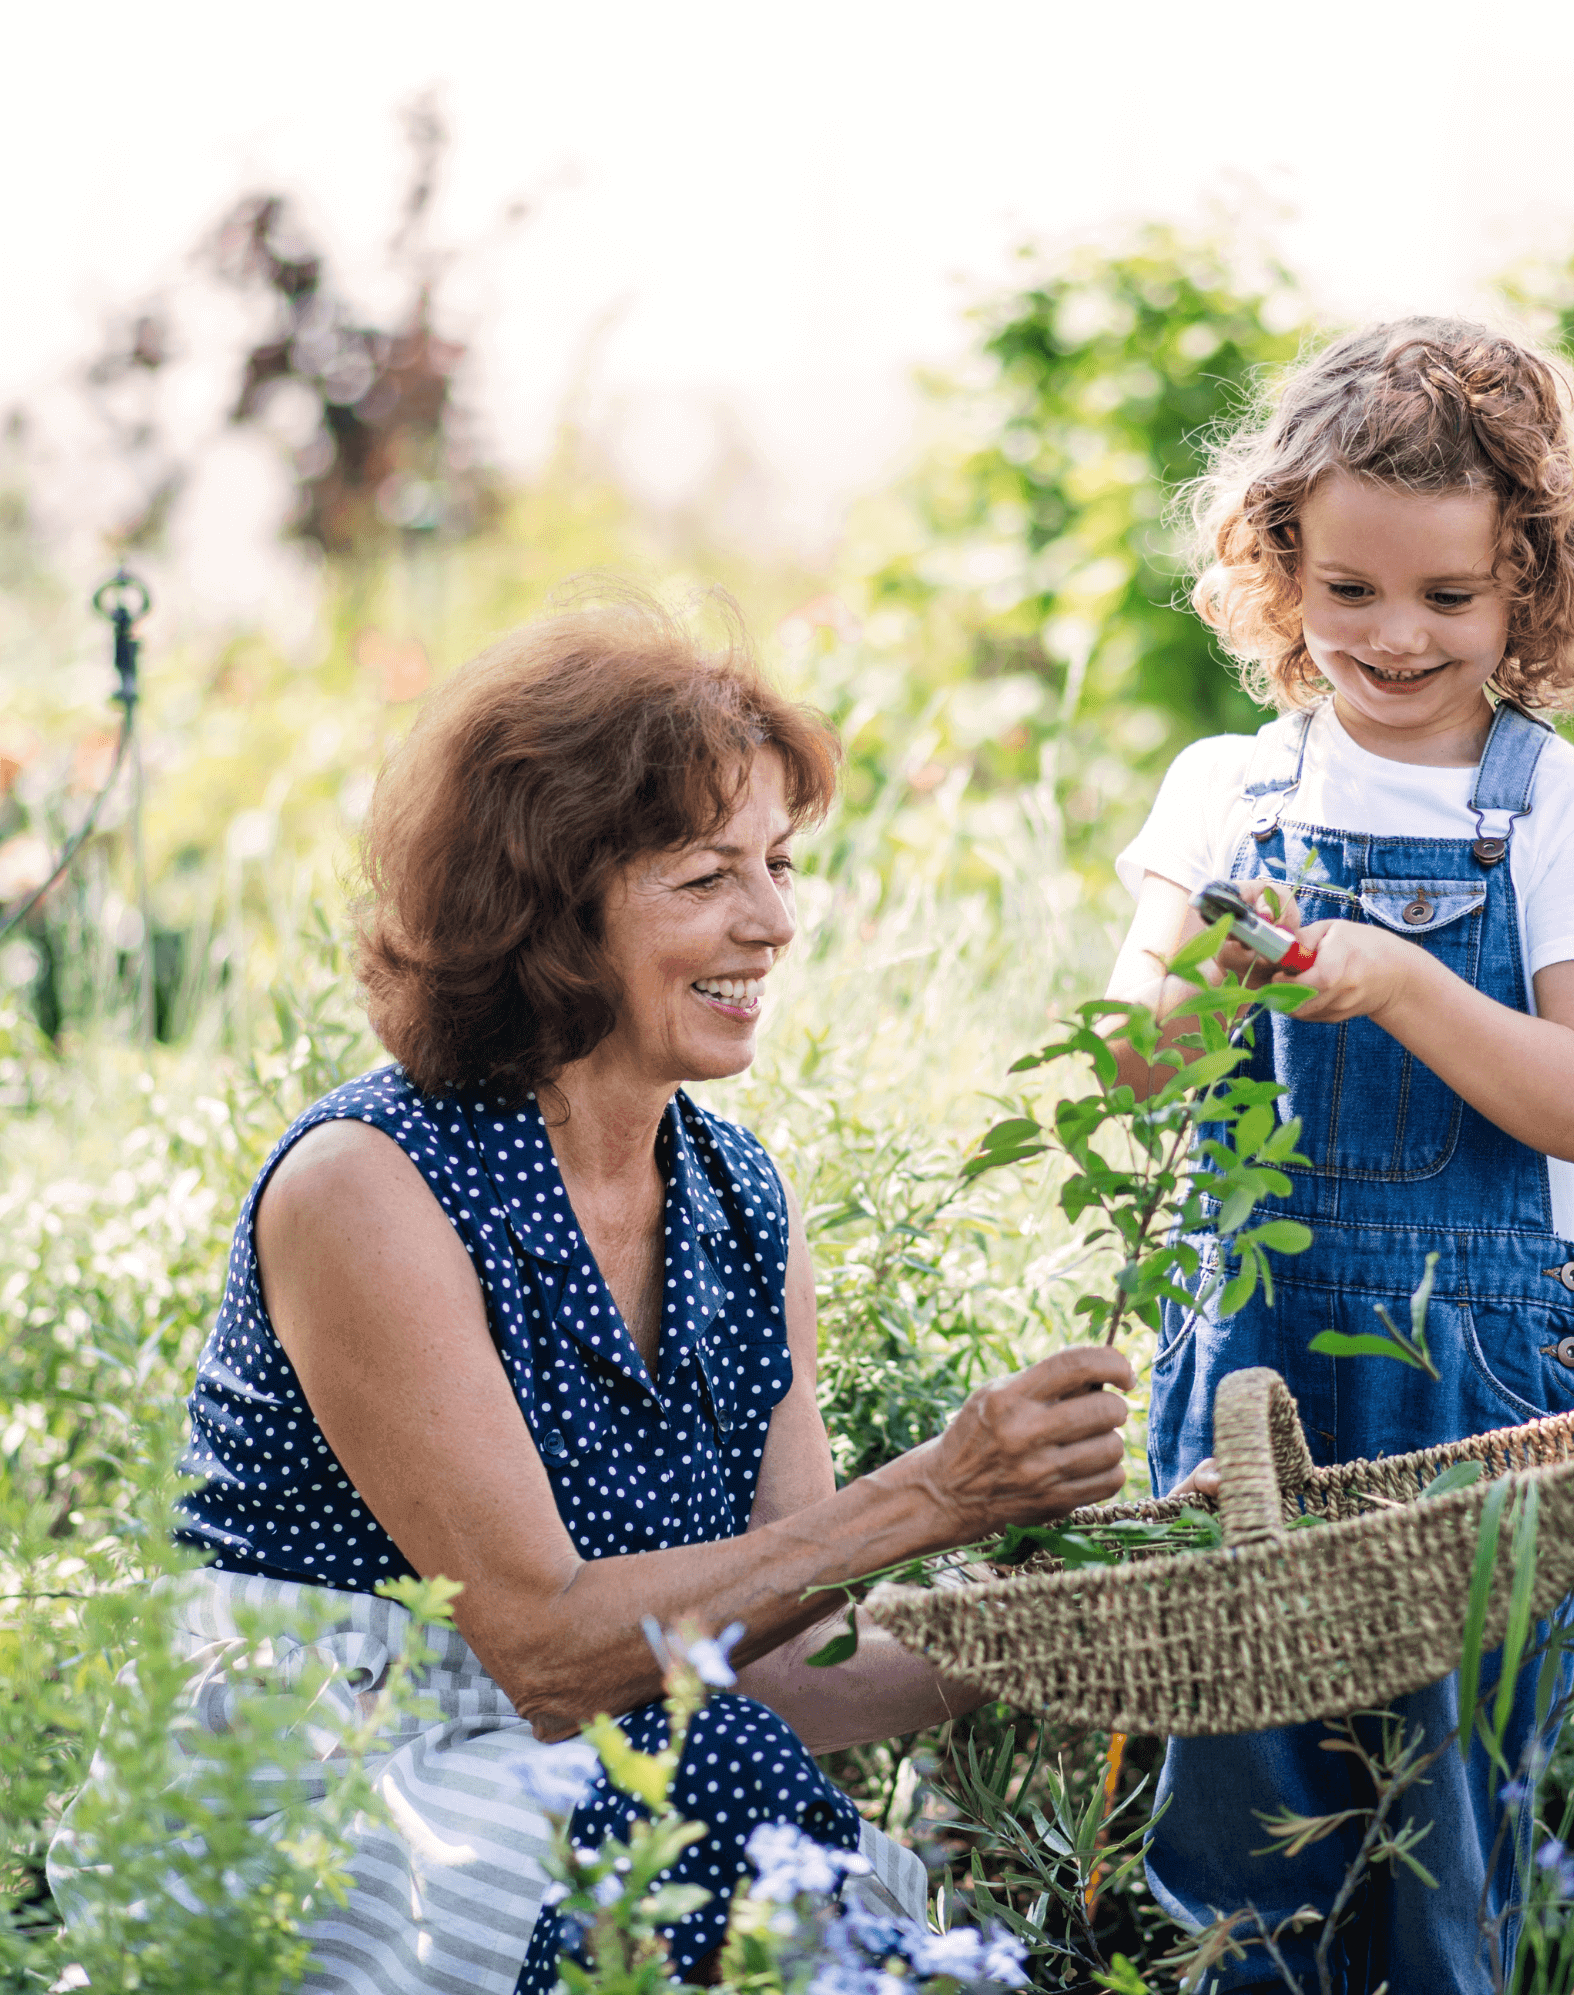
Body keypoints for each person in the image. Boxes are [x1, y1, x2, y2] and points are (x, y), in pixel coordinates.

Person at [90, 600, 1135, 1994]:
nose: (772, 922)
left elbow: (783, 1665)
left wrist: (1070, 1636)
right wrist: (938, 1494)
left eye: (775, 864)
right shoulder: (367, 1188)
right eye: (707, 876)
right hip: (327, 1794)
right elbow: (543, 1653)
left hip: (626, 1775)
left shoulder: (743, 1209)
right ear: (549, 907)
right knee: (773, 1865)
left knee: (741, 1812)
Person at [1106, 319, 1574, 1993]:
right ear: (1281, 569)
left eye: (1450, 598)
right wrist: (1215, 971)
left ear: (1531, 590)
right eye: (1351, 590)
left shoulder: (1568, 815)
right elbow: (1130, 1073)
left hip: (1476, 1387)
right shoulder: (1228, 792)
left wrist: (1408, 981)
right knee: (1235, 1834)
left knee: (1445, 1832)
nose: (1397, 636)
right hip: (1255, 1376)